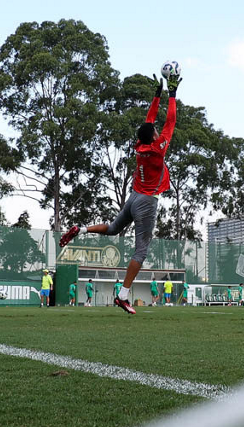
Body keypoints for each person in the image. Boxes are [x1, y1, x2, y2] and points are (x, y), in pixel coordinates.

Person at [58, 72, 181, 315]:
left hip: (133, 197)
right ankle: (123, 296)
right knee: (141, 251)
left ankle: (81, 229)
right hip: (146, 201)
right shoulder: (158, 149)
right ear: (153, 136)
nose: (157, 130)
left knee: (114, 228)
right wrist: (173, 93)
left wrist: (157, 95)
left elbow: (148, 121)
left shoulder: (140, 145)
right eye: (155, 131)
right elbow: (171, 121)